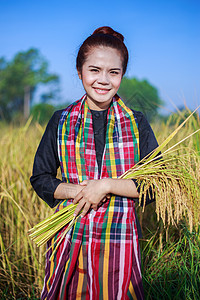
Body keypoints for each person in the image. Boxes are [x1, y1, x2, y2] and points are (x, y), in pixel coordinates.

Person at [30, 26, 158, 300]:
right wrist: (77, 191)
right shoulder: (61, 121)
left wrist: (107, 185)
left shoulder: (137, 123)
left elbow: (156, 186)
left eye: (113, 72)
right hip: (69, 235)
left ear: (122, 75)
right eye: (94, 70)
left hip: (119, 241)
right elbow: (40, 178)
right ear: (80, 71)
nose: (103, 80)